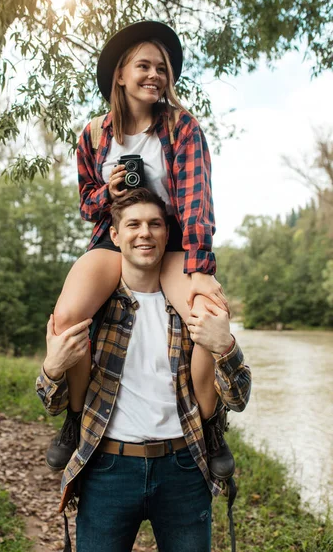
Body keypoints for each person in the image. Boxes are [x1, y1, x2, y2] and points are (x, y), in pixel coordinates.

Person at [46, 20, 229, 471]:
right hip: (117, 238)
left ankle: (211, 425)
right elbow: (88, 205)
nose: (154, 76)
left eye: (162, 69)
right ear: (121, 74)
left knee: (204, 314)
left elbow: (196, 199)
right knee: (69, 316)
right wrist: (106, 191)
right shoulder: (93, 134)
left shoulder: (181, 128)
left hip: (173, 240)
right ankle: (74, 418)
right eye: (143, 66)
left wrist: (200, 264)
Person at [37, 189, 251, 552]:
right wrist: (52, 368)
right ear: (116, 236)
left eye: (155, 224)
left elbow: (240, 397)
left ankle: (214, 434)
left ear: (167, 233)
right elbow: (51, 403)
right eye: (133, 224)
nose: (145, 233)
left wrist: (224, 346)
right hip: (108, 468)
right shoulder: (96, 306)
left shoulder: (192, 308)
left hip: (184, 466)